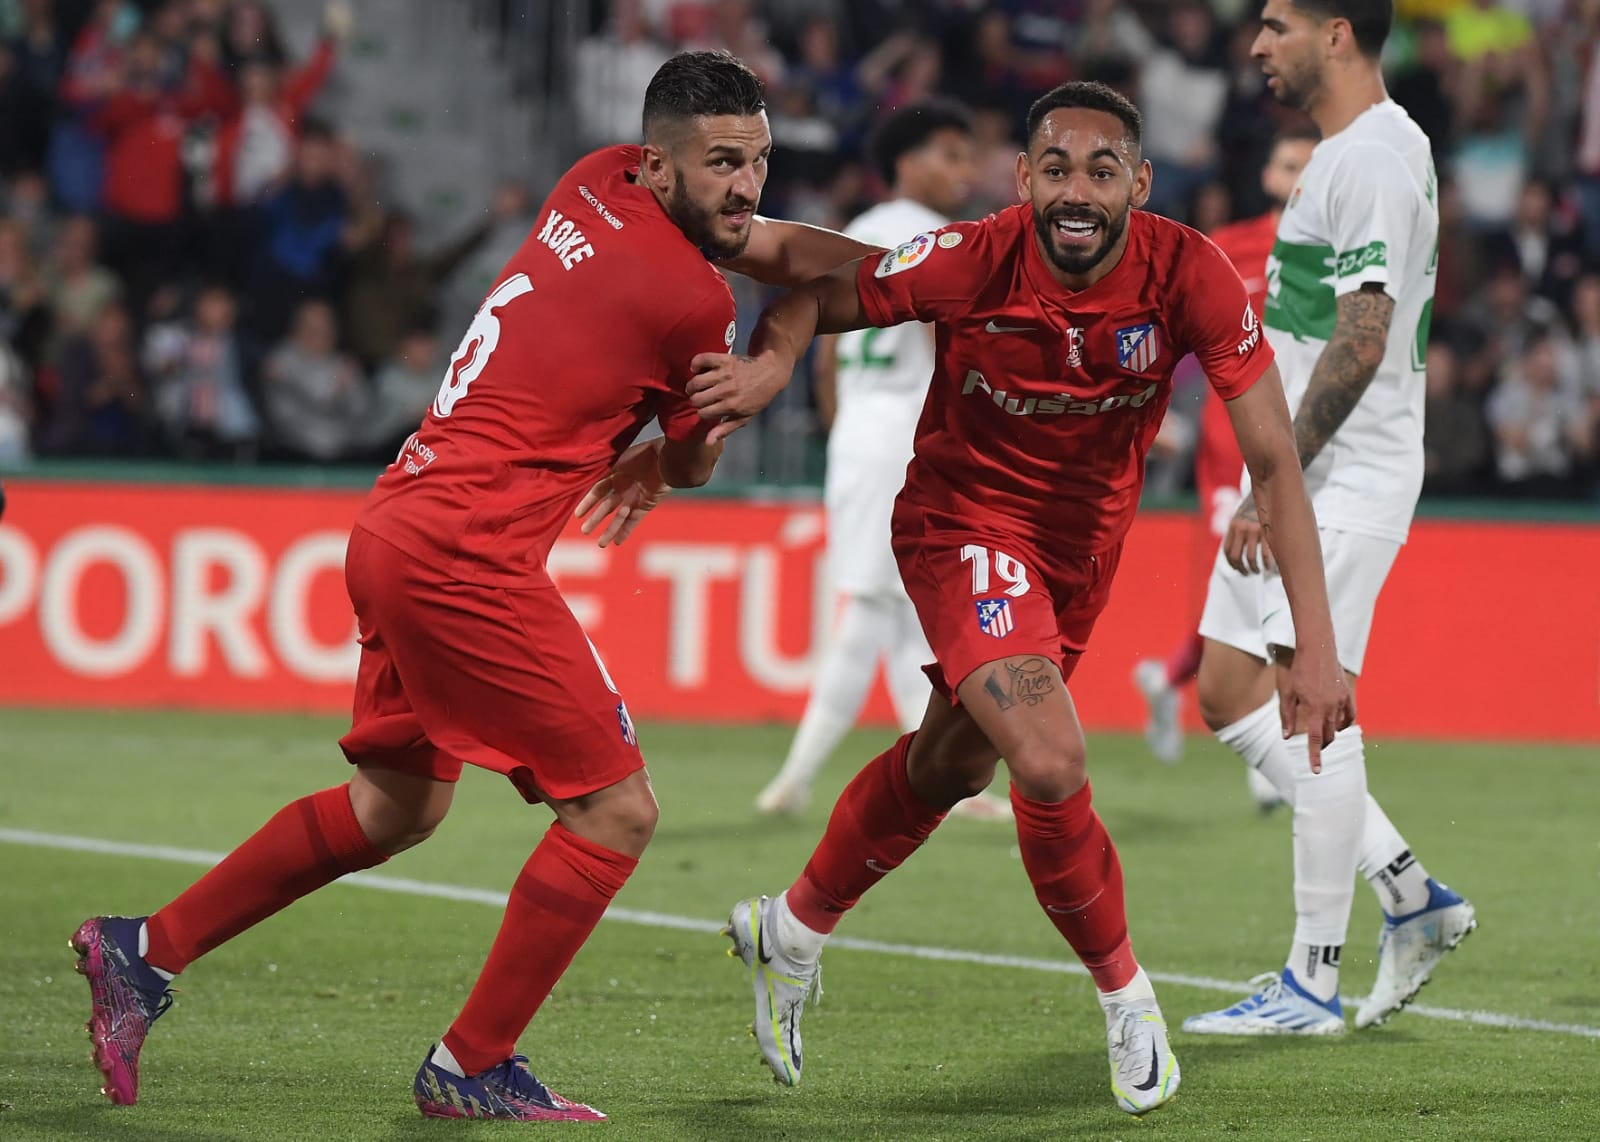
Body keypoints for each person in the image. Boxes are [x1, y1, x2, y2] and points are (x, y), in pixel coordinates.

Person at [69, 50, 876, 1123]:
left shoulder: (594, 179)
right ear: (662, 164)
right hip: (466, 554)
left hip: (397, 519)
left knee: (392, 805)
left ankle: (143, 949)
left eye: (760, 160)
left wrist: (881, 268)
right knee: (616, 811)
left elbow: (776, 247)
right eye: (723, 162)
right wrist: (777, 355)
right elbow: (692, 453)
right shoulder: (688, 299)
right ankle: (471, 1061)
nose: (745, 185)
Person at [687, 80, 1353, 1116]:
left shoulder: (1189, 272)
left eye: (1100, 170)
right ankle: (1129, 998)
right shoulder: (972, 256)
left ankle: (789, 930)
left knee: (948, 762)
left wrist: (1313, 648)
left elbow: (1273, 459)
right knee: (1047, 756)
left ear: (1138, 180)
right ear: (1023, 179)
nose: (1074, 191)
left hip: (1078, 559)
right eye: (1054, 169)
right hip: (961, 528)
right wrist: (771, 361)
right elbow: (822, 286)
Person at [1182, 0, 1477, 1037]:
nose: (1257, 46)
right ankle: (1409, 893)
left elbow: (1360, 338)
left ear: (1336, 32)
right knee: (1227, 689)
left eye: (1274, 24)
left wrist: (1279, 480)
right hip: (1308, 470)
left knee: (1311, 696)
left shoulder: (1376, 160)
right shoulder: (1347, 152)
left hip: (1342, 474)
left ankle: (1310, 979)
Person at [754, 99, 1010, 824]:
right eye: (951, 155)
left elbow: (828, 353)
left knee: (902, 617)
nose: (964, 172)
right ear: (909, 162)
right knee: (872, 608)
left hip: (861, 434)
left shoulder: (854, 234)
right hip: (907, 429)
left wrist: (845, 434)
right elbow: (947, 344)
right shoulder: (938, 240)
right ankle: (795, 778)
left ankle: (937, 781)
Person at [1133, 127, 1317, 792]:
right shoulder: (1227, 250)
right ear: (1269, 174)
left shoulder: (1334, 257)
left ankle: (1173, 675)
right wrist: (1156, 414)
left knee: (1281, 577)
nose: (1297, 178)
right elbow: (1169, 334)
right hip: (1228, 440)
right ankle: (1263, 751)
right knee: (1245, 570)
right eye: (1288, 163)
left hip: (1306, 439)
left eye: (1309, 167)